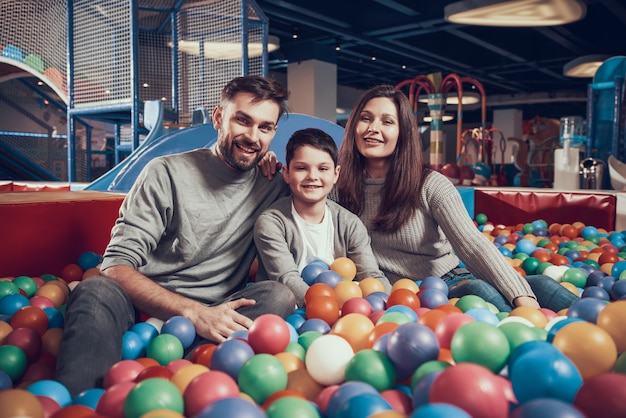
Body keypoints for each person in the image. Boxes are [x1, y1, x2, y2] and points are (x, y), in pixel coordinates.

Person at [55, 76, 297, 396]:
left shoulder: (274, 186)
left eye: (265, 127)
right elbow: (115, 265)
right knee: (95, 289)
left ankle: (187, 370)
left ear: (274, 133)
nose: (252, 136)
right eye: (243, 120)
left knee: (278, 295)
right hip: (142, 309)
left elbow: (328, 200)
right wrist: (194, 314)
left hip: (217, 314)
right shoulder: (166, 172)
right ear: (218, 117)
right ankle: (83, 402)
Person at [333, 84, 579, 313]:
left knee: (541, 284)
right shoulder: (337, 188)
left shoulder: (429, 184)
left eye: (387, 121)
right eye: (366, 118)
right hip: (406, 295)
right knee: (480, 291)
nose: (372, 128)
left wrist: (521, 297)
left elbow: (472, 244)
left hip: (450, 279)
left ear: (403, 133)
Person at [253, 128, 392, 307]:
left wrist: (392, 305)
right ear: (286, 173)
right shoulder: (272, 223)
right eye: (301, 168)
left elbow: (371, 274)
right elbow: (287, 278)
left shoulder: (349, 224)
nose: (313, 176)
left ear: (336, 174)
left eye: (323, 168)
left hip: (344, 312)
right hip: (293, 312)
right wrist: (327, 309)